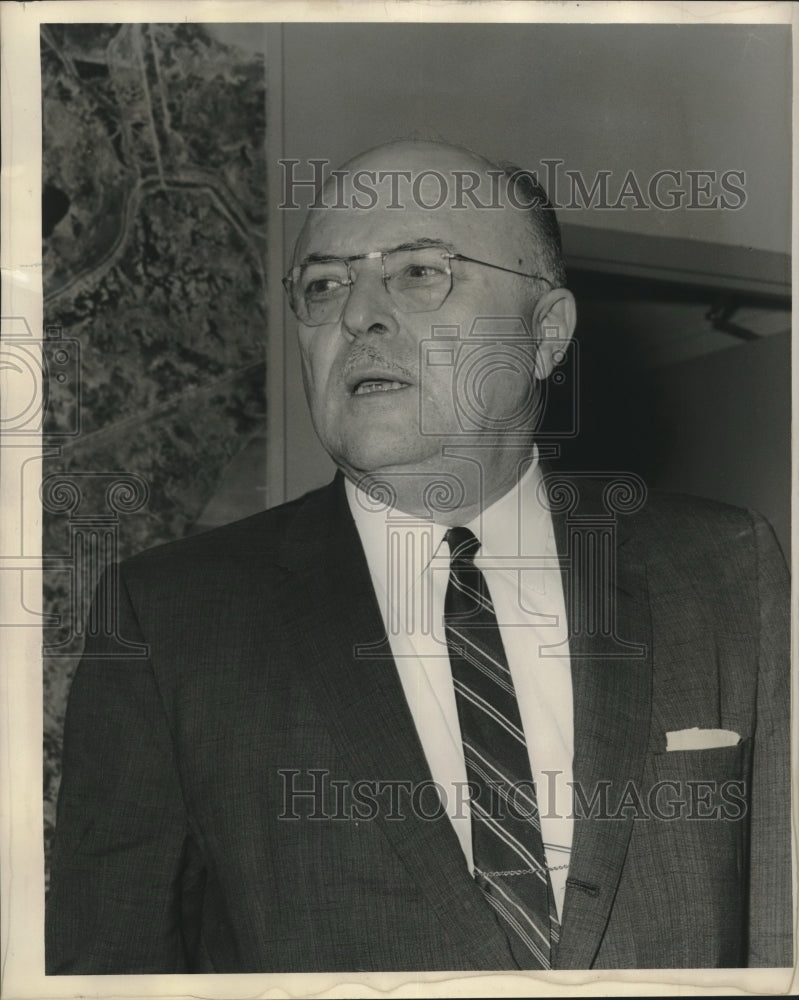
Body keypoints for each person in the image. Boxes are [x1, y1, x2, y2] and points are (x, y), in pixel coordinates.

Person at [46, 139, 791, 973]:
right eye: (322, 285)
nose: (356, 313)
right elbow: (106, 970)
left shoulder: (726, 569)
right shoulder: (171, 618)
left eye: (418, 272)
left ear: (545, 334)